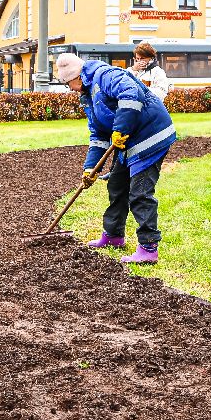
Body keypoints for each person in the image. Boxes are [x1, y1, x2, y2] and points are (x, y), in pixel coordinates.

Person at [55, 51, 175, 266]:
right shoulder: (88, 96)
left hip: (150, 136)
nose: (71, 89)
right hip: (128, 140)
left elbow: (131, 94)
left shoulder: (105, 75)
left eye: (69, 83)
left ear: (78, 76)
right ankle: (113, 236)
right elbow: (98, 135)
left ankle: (148, 248)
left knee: (140, 192)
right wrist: (90, 168)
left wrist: (120, 129)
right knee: (117, 186)